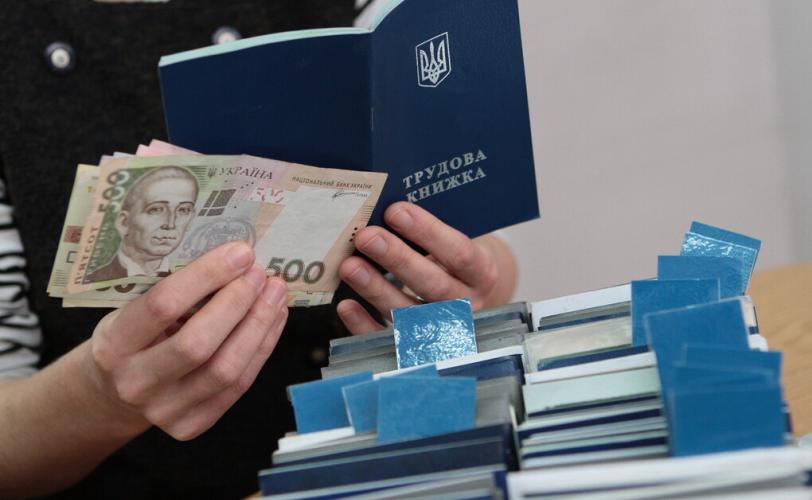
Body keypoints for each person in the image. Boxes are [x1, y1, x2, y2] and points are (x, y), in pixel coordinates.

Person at [0, 1, 518, 498]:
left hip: (392, 456)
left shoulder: (361, 11)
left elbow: (486, 258)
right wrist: (101, 395)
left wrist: (472, 285)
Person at [87, 166, 200, 281]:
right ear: (124, 222)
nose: (170, 224)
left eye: (183, 210)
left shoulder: (191, 279)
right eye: (156, 209)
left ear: (191, 220)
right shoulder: (93, 280)